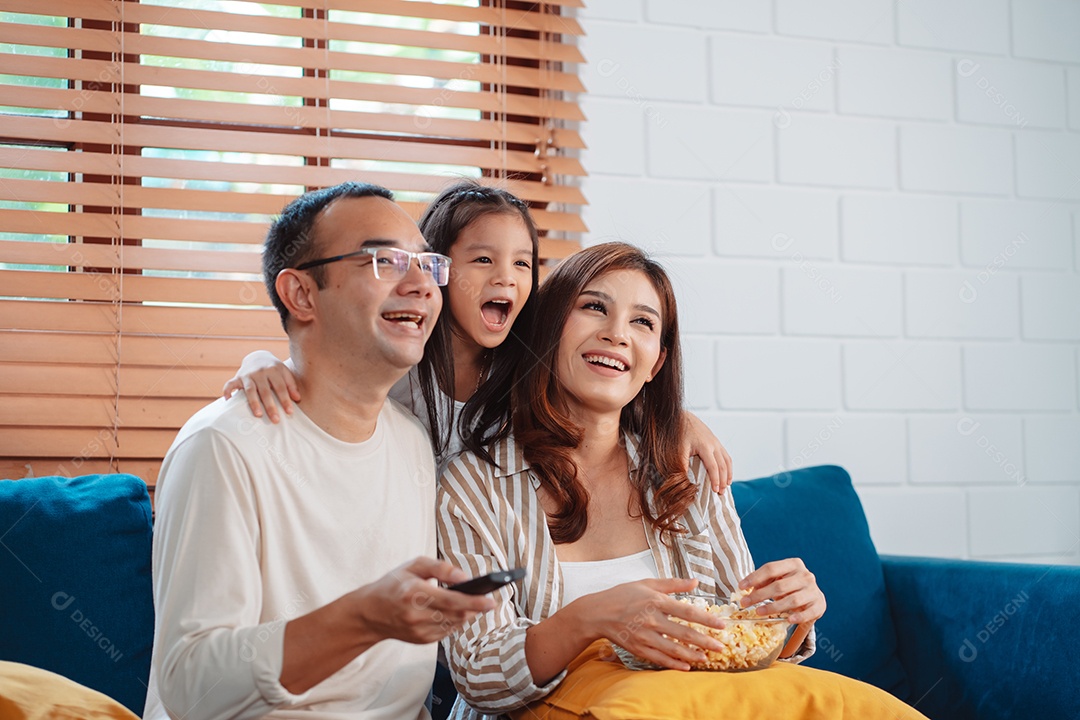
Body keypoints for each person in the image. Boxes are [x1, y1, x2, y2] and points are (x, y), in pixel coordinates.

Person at [144, 182, 494, 720]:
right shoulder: (222, 446)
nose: (422, 284)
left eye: (428, 264)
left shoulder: (411, 443)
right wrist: (363, 619)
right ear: (301, 295)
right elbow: (193, 688)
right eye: (385, 260)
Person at [436, 243, 827, 719]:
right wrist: (590, 618)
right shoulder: (472, 488)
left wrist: (787, 615)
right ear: (548, 329)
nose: (616, 334)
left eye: (642, 322)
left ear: (655, 364)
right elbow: (478, 674)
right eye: (593, 307)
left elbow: (735, 639)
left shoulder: (689, 471)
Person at [222, 182, 735, 488]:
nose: (506, 279)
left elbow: (602, 394)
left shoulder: (528, 368)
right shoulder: (398, 363)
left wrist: (678, 419)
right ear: (437, 268)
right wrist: (258, 362)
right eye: (483, 260)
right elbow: (329, 370)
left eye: (522, 264)